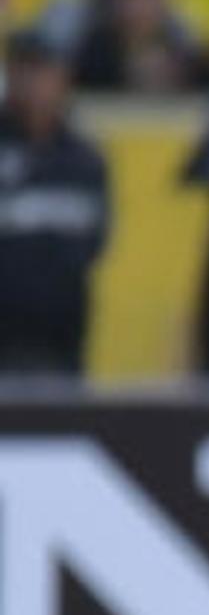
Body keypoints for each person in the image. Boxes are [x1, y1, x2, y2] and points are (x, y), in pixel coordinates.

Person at [0, 30, 111, 375]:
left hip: (62, 333)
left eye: (44, 71)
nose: (34, 84)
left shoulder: (84, 159)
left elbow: (97, 239)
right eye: (24, 71)